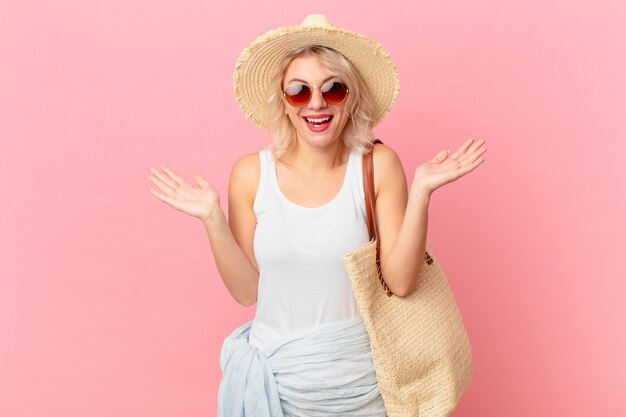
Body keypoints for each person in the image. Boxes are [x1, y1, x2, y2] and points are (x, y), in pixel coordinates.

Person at [148, 14, 486, 417]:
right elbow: (246, 292)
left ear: (351, 97)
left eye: (333, 89)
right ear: (283, 101)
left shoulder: (377, 164)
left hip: (359, 388)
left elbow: (399, 281)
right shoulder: (251, 174)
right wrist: (211, 218)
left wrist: (422, 193)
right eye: (298, 91)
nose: (316, 103)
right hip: (278, 389)